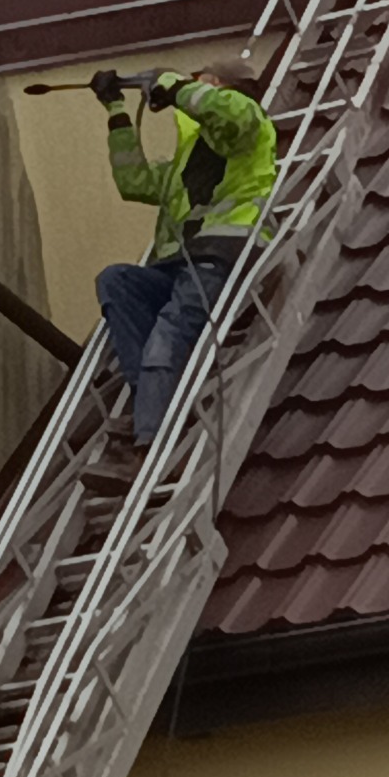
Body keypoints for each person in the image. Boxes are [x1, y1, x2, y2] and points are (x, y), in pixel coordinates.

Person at [85, 61, 277, 489]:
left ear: (226, 88)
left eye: (202, 81)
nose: (190, 90)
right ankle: (150, 407)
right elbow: (133, 180)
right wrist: (116, 110)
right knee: (116, 281)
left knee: (169, 335)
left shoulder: (249, 123)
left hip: (224, 256)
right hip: (179, 265)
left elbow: (226, 111)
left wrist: (172, 83)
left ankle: (150, 451)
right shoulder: (187, 162)